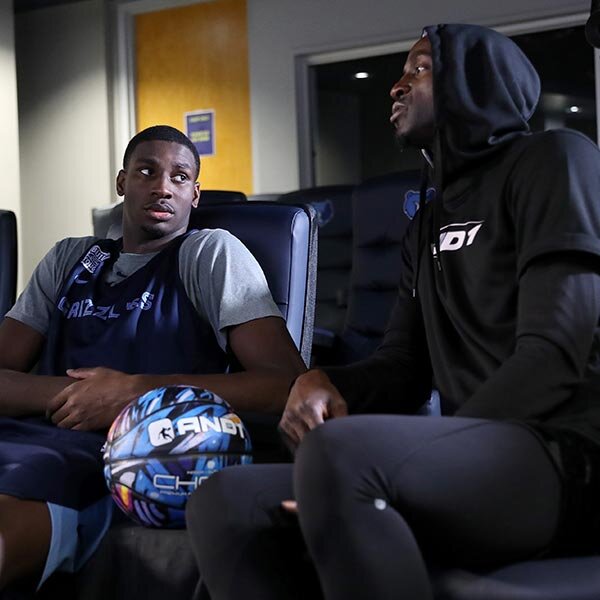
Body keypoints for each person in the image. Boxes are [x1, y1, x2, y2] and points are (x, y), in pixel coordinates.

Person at [186, 24, 600, 600]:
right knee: (225, 500)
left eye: (421, 68)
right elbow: (404, 370)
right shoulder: (427, 218)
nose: (396, 87)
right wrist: (321, 381)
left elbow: (553, 355)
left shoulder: (554, 159)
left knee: (340, 456)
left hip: (565, 454)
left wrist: (428, 459)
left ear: (475, 82)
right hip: (477, 453)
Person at [0, 125, 305, 591]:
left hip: (122, 454)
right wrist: (77, 395)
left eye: (180, 177)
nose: (163, 186)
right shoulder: (70, 258)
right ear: (122, 183)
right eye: (147, 171)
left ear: (195, 195)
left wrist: (133, 394)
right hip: (27, 431)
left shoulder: (209, 253)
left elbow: (286, 383)